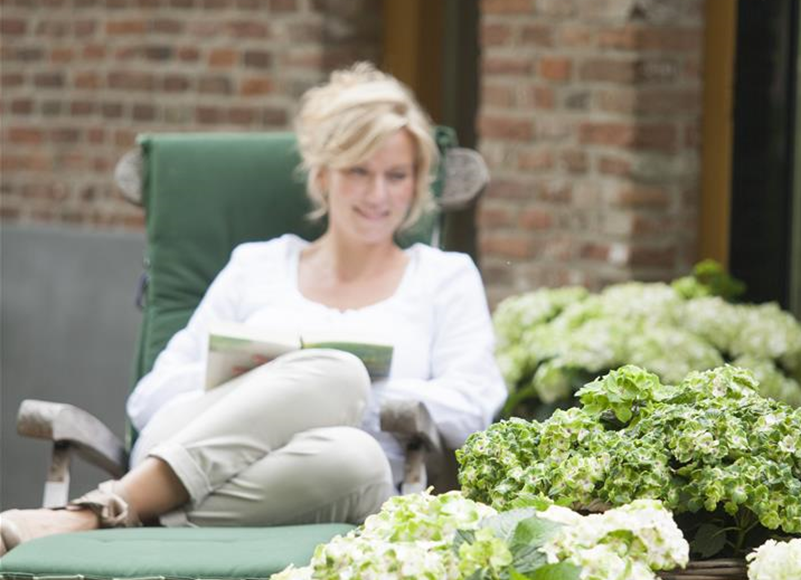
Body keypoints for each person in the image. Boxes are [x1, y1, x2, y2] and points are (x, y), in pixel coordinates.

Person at [0, 63, 507, 553]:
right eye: (359, 171)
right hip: (185, 436)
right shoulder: (257, 266)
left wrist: (332, 396)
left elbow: (472, 408)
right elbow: (153, 397)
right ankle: (119, 505)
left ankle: (103, 511)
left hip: (325, 477)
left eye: (397, 175)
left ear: (417, 182)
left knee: (357, 451)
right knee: (336, 374)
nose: (379, 194)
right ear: (323, 173)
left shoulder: (444, 277)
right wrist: (266, 391)